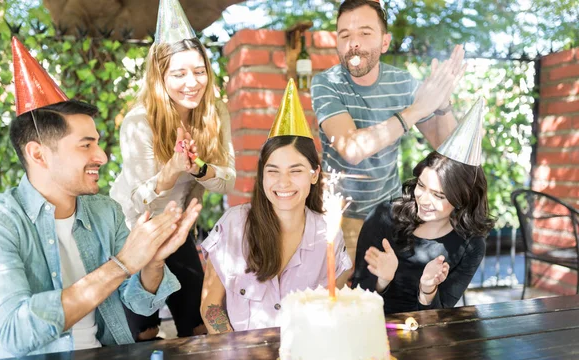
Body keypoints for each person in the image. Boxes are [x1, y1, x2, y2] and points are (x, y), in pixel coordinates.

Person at [0, 38, 201, 360]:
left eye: (97, 142)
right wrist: (123, 263)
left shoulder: (104, 212)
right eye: (86, 146)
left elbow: (140, 302)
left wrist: (151, 261)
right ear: (38, 154)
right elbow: (14, 331)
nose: (102, 156)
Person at [110, 0, 235, 339]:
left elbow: (227, 183)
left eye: (199, 71)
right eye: (179, 74)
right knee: (144, 330)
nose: (191, 82)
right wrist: (170, 171)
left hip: (177, 229)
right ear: (160, 77)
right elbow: (137, 202)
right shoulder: (139, 122)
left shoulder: (214, 113)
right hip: (134, 229)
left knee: (196, 325)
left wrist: (197, 168)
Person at [311, 0, 466, 263]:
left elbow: (447, 148)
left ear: (384, 42)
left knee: (385, 300)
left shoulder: (403, 83)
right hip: (338, 219)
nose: (353, 43)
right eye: (345, 35)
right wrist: (414, 111)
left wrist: (442, 105)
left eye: (365, 33)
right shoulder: (326, 83)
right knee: (340, 301)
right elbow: (351, 149)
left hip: (389, 216)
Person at [200, 80, 352, 333]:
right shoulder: (234, 224)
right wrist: (237, 354)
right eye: (273, 171)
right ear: (262, 175)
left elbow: (332, 306)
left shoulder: (329, 234)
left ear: (314, 175)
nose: (283, 183)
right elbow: (210, 305)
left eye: (296, 171)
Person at [351, 98, 495, 313]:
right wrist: (382, 281)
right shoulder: (383, 217)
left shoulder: (471, 245)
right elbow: (357, 299)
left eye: (438, 195)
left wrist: (427, 291)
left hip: (424, 339)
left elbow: (440, 318)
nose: (424, 199)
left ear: (462, 200)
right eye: (421, 185)